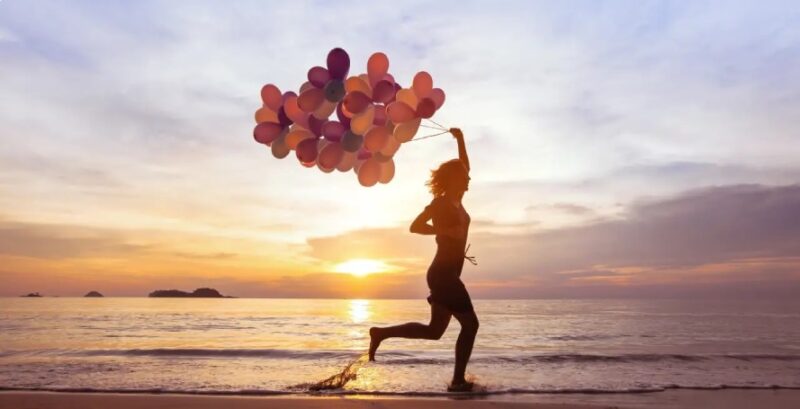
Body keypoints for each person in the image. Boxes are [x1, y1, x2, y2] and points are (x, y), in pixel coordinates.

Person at [368, 127, 478, 392]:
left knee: (434, 331)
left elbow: (465, 166)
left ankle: (380, 333)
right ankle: (457, 381)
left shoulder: (458, 199)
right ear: (454, 180)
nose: (468, 180)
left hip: (449, 273)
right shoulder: (440, 204)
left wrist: (461, 139)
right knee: (471, 325)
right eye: (463, 177)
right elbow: (415, 226)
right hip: (443, 274)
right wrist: (442, 230)